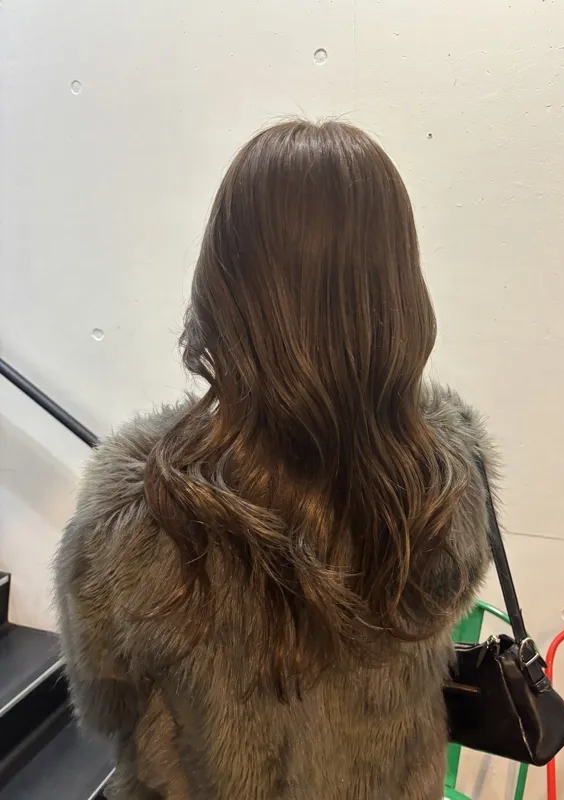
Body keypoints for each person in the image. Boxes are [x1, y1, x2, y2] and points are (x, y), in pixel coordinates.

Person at [54, 119, 498, 800]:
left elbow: (105, 704)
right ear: (397, 287)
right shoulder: (445, 483)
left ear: (223, 280)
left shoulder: (139, 505)